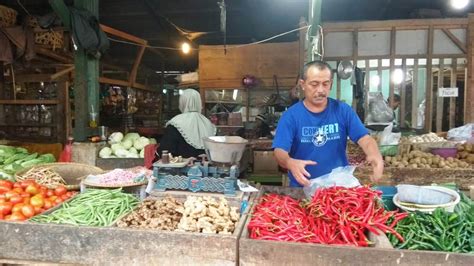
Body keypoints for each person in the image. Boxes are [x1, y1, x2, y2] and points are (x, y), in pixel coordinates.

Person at [272, 61, 383, 187]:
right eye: (314, 84)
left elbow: (364, 138)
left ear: (331, 84)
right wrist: (289, 162)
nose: (320, 90)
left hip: (338, 188)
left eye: (325, 84)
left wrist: (374, 153)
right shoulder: (291, 116)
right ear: (302, 84)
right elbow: (279, 150)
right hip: (303, 187)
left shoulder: (342, 110)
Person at [157, 89, 216, 158]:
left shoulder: (176, 122)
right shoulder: (208, 123)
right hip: (206, 166)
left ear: (182, 103)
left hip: (180, 167)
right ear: (199, 102)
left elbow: (165, 151)